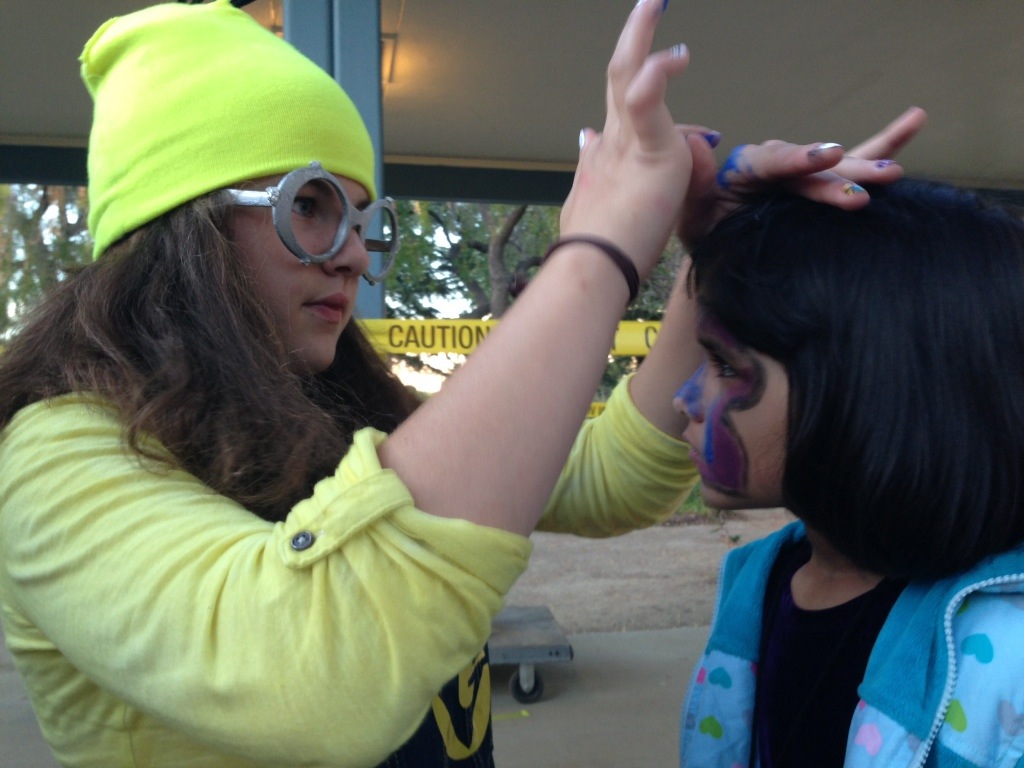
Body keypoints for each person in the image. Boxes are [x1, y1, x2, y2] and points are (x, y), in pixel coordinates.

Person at [0, 0, 920, 765]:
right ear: (178, 233)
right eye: (309, 205)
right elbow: (315, 677)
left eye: (362, 217)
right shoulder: (54, 458)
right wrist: (598, 245)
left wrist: (705, 250)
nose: (353, 255)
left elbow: (613, 478)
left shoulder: (333, 412)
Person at [675, 178, 1024, 767]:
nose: (684, 399)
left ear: (869, 390)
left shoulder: (1007, 657)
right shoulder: (759, 582)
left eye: (724, 365)